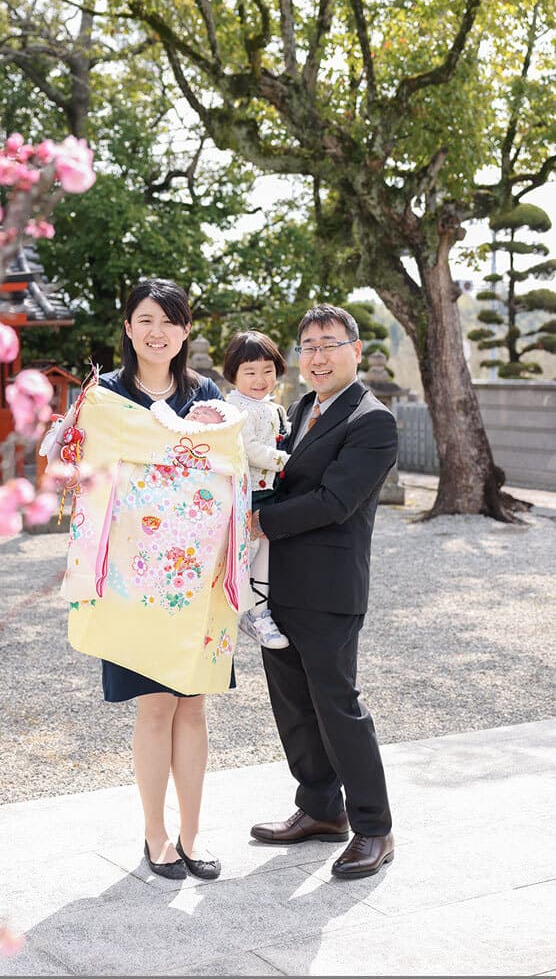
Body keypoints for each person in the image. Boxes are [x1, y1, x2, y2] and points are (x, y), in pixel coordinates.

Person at [48, 279, 246, 883]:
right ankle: (156, 834)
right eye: (145, 320)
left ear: (185, 331)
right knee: (156, 707)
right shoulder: (105, 396)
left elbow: (227, 464)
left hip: (196, 578)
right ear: (128, 328)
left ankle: (192, 833)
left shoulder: (206, 396)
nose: (157, 332)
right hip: (134, 581)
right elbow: (82, 470)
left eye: (169, 321)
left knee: (194, 705)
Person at [249, 303, 398, 880]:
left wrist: (261, 521)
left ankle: (374, 828)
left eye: (328, 344)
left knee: (337, 707)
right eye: (307, 346)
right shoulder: (300, 408)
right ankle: (320, 809)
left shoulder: (372, 420)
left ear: (354, 351)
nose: (316, 357)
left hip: (330, 589)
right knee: (293, 705)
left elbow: (336, 502)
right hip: (280, 583)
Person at [222, 331, 291, 649]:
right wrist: (287, 460)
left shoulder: (271, 407)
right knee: (245, 551)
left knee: (266, 547)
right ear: (233, 374)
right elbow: (250, 449)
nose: (260, 379)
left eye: (267, 370)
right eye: (250, 372)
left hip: (269, 488)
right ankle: (251, 611)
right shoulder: (234, 408)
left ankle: (258, 610)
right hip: (247, 491)